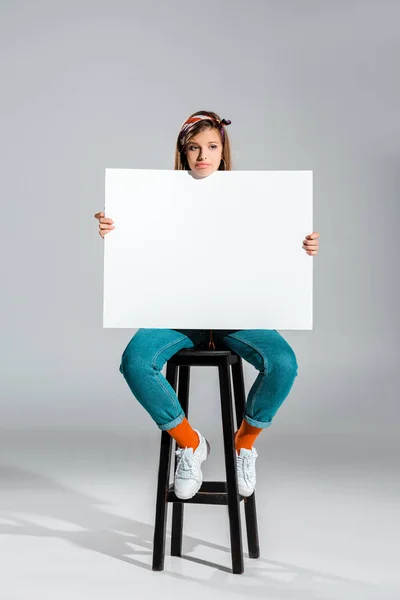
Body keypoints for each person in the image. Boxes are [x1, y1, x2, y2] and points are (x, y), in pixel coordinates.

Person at [94, 110, 320, 501]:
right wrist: (116, 231)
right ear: (183, 153)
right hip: (179, 316)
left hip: (236, 317)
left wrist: (301, 247)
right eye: (194, 147)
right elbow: (143, 249)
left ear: (223, 151)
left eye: (211, 147)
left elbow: (271, 247)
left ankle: (245, 444)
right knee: (134, 362)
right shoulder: (160, 200)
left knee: (283, 363)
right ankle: (190, 443)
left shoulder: (251, 201)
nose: (203, 155)